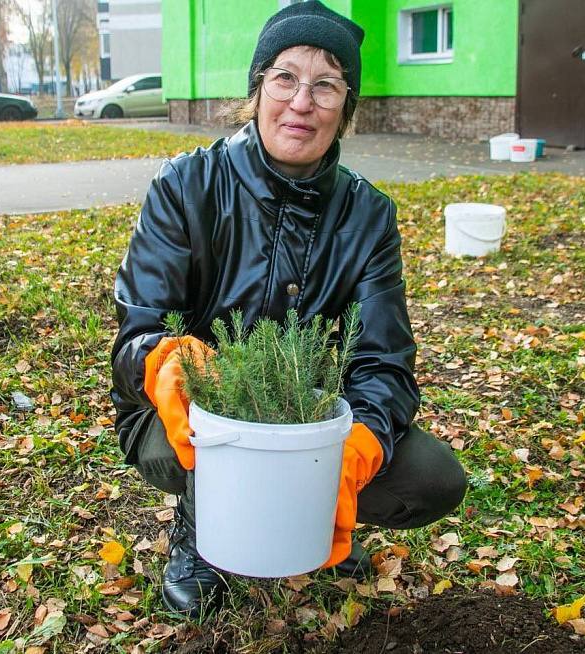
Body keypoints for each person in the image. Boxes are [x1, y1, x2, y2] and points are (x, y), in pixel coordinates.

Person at [110, 0, 467, 619]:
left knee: (431, 478)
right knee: (180, 441)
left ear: (345, 110)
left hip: (311, 422)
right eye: (285, 78)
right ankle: (200, 531)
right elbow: (139, 326)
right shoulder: (187, 186)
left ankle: (321, 515)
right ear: (257, 91)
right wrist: (169, 363)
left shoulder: (368, 215)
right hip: (201, 419)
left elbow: (384, 359)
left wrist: (352, 453)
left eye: (327, 85)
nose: (302, 102)